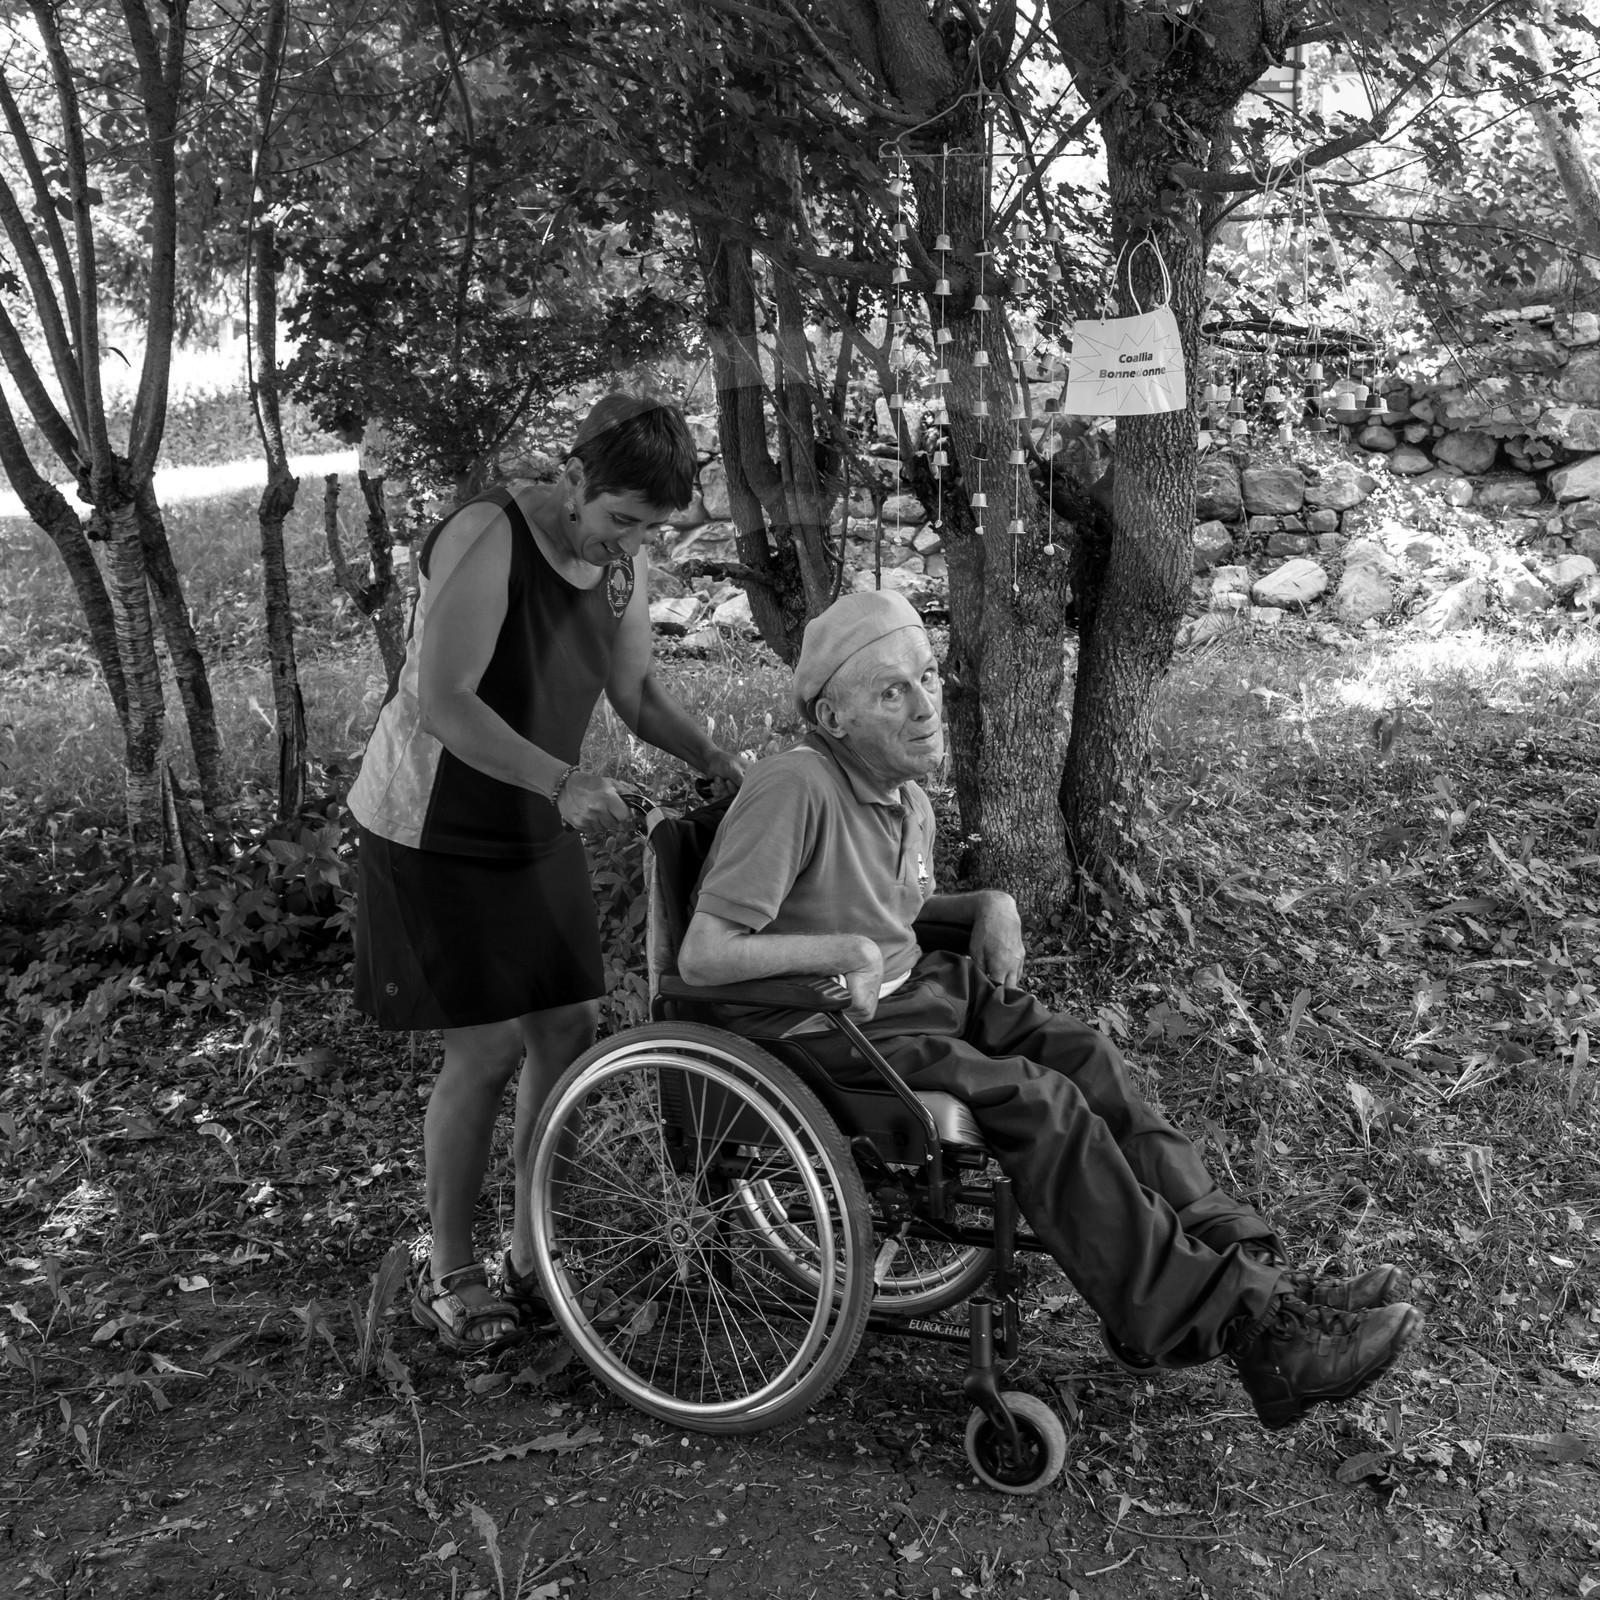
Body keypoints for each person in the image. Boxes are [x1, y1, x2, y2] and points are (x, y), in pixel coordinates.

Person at [676, 590, 1420, 1431]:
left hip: (915, 999)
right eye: (891, 693)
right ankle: (1253, 1332)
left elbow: (876, 911)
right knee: (1041, 1102)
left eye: (925, 679)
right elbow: (704, 954)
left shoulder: (900, 796)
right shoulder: (794, 787)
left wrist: (985, 903)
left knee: (1085, 1056)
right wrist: (838, 957)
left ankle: (1248, 1268)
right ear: (831, 715)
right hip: (815, 1031)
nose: (925, 710)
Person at [348, 393, 745, 1355]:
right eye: (620, 521)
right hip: (432, 823)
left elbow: (635, 691)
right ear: (573, 477)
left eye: (650, 530)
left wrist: (720, 763)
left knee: (566, 1032)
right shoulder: (488, 533)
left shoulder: (619, 560)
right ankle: (450, 1274)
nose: (630, 547)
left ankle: (533, 1253)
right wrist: (563, 779)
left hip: (533, 813)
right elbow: (443, 701)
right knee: (482, 1052)